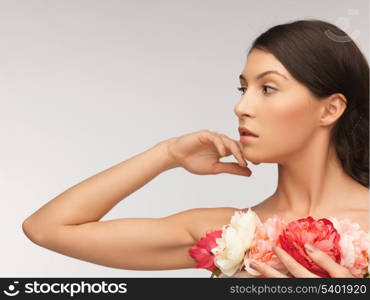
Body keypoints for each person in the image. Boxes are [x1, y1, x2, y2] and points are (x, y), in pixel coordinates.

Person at [22, 19, 369, 278]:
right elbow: (47, 228)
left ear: (330, 109)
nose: (242, 107)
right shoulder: (229, 234)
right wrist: (166, 154)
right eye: (243, 89)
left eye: (267, 89)